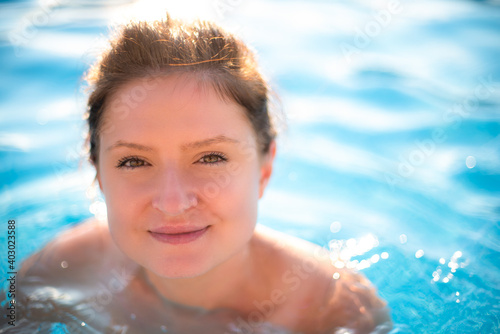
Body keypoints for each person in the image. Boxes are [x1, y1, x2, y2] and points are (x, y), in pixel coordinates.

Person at [10, 14, 391, 334]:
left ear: (265, 168)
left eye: (210, 157)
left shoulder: (330, 310)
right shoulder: (62, 271)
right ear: (98, 174)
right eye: (134, 162)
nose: (173, 203)